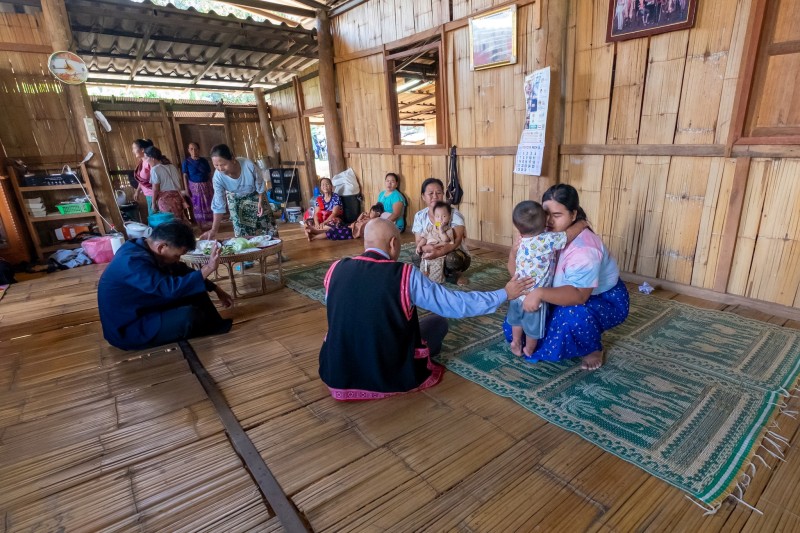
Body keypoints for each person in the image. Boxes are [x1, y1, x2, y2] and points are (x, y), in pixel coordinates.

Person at [319, 218, 534, 400]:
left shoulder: (335, 269)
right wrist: (504, 293)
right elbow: (455, 304)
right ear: (394, 243)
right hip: (389, 371)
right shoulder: (403, 274)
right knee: (438, 322)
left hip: (338, 371)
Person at [521, 184, 629, 370]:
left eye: (557, 215)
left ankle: (592, 348)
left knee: (572, 317)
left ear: (573, 214)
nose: (548, 221)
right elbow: (519, 269)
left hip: (600, 298)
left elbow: (579, 295)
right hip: (557, 290)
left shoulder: (585, 249)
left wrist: (539, 293)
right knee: (519, 317)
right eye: (545, 213)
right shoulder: (541, 233)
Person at [97, 221, 233, 350]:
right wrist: (208, 268)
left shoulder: (141, 246)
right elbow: (169, 289)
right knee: (190, 316)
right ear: (162, 247)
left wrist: (215, 288)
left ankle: (210, 325)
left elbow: (181, 270)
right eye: (176, 255)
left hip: (144, 307)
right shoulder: (131, 262)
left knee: (194, 287)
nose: (178, 259)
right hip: (130, 327)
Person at [506, 200, 572, 357]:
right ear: (545, 224)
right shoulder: (547, 240)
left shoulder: (520, 240)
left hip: (517, 291)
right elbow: (568, 236)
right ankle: (528, 349)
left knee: (516, 320)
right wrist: (582, 224)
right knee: (532, 328)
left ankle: (515, 341)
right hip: (533, 298)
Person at [200, 144, 277, 240]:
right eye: (216, 165)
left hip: (256, 194)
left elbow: (260, 183)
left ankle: (278, 253)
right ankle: (250, 254)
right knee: (241, 232)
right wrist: (213, 230)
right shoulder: (217, 178)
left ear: (232, 159)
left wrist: (260, 201)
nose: (220, 169)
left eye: (223, 164)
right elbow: (219, 204)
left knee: (267, 225)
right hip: (234, 198)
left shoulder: (248, 165)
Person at [411, 178, 471, 284]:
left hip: (452, 252)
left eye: (438, 193)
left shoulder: (454, 213)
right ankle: (431, 272)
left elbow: (456, 241)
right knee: (416, 256)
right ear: (423, 196)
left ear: (443, 194)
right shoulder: (420, 215)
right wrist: (427, 248)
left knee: (452, 259)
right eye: (430, 193)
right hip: (430, 249)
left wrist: (438, 252)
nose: (435, 196)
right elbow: (418, 240)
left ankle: (457, 275)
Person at [146, 146, 189, 221]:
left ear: (152, 158)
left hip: (165, 200)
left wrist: (153, 203)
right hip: (177, 197)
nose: (146, 161)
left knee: (170, 222)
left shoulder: (155, 169)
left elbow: (155, 189)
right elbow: (178, 181)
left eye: (147, 158)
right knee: (179, 220)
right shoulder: (172, 166)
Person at [418, 201, 454, 283]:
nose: (440, 219)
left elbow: (446, 240)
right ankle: (424, 282)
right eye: (437, 216)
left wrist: (441, 230)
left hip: (438, 255)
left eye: (444, 216)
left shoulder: (448, 230)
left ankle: (436, 284)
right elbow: (424, 238)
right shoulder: (430, 228)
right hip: (426, 254)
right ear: (434, 218)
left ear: (449, 217)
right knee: (423, 270)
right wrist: (419, 246)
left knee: (436, 273)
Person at [182, 142, 214, 230]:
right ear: (188, 150)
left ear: (199, 150)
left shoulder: (204, 161)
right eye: (191, 149)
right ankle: (201, 225)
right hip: (194, 187)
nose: (194, 151)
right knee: (197, 205)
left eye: (196, 149)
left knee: (209, 204)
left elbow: (209, 174)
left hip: (206, 186)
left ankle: (211, 225)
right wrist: (186, 188)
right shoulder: (186, 162)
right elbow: (185, 176)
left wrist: (212, 185)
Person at [132, 138, 154, 214]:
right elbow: (141, 180)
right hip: (148, 195)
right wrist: (137, 190)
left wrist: (154, 200)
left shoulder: (150, 162)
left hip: (154, 195)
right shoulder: (142, 162)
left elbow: (157, 180)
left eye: (134, 148)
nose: (133, 151)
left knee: (155, 220)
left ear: (142, 150)